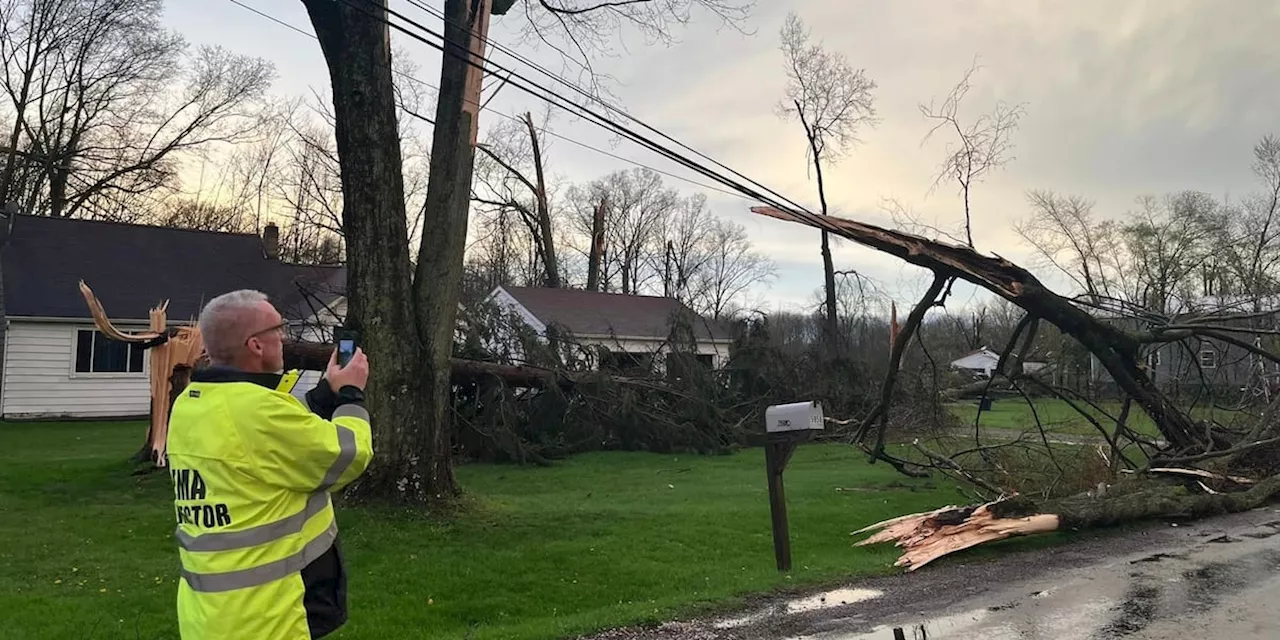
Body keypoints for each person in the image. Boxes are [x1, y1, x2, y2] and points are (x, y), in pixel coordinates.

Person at [167, 289, 373, 639]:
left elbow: (273, 443)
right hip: (268, 616)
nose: (284, 336)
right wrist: (352, 395)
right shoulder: (259, 412)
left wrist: (325, 394)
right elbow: (349, 454)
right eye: (278, 328)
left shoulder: (192, 403)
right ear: (256, 345)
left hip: (208, 616)